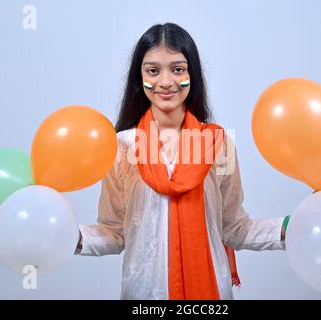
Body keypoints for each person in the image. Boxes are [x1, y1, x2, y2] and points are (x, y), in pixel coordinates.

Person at [75, 22, 290, 300]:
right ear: (139, 78)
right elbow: (115, 231)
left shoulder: (218, 144)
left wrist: (289, 228)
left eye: (178, 69)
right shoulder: (120, 147)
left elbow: (234, 228)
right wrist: (69, 235)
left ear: (192, 75)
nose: (166, 82)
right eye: (153, 70)